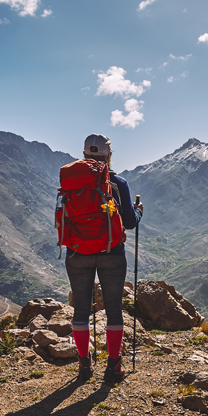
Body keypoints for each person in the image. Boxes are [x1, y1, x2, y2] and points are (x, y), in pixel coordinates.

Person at [66, 133, 143, 383]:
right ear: (108, 155)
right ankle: (113, 367)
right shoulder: (118, 183)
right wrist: (138, 211)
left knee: (80, 310)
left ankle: (84, 365)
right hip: (111, 254)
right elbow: (130, 223)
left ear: (85, 155)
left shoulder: (71, 182)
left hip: (77, 252)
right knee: (113, 310)